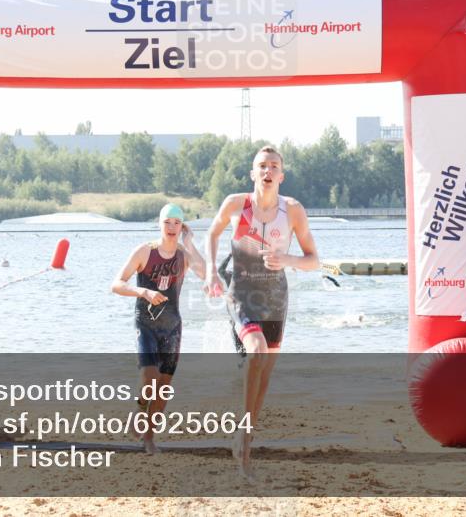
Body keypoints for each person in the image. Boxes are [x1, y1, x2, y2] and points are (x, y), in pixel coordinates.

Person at [204, 145, 319, 480]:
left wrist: (290, 261)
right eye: (261, 166)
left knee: (265, 373)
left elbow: (313, 259)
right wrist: (211, 270)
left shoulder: (293, 210)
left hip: (275, 298)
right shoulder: (236, 204)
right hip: (242, 292)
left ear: (281, 175)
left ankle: (246, 437)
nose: (267, 171)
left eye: (274, 166)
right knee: (256, 351)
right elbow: (212, 233)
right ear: (252, 174)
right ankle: (242, 431)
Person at [111, 203, 204, 454]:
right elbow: (117, 284)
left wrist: (191, 242)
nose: (171, 227)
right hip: (147, 324)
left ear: (181, 226)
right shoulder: (144, 251)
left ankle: (149, 439)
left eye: (176, 223)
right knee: (150, 379)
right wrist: (143, 291)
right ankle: (140, 409)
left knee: (163, 388)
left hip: (172, 327)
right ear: (160, 224)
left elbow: (206, 274)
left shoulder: (184, 255)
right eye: (167, 222)